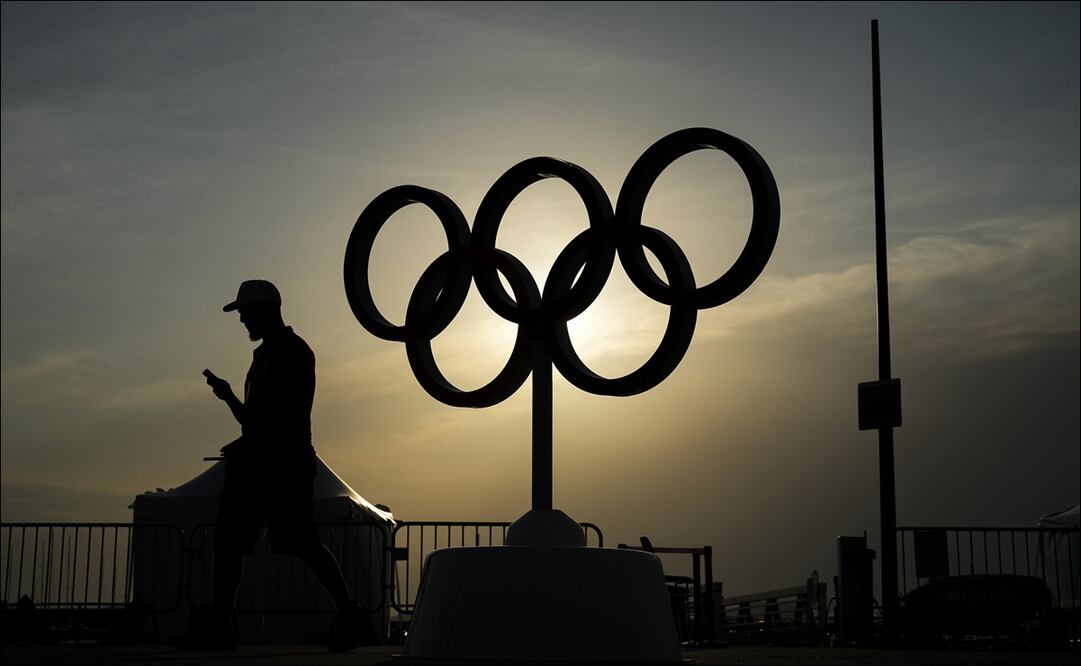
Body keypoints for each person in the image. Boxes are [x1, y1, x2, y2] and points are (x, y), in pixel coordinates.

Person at [197, 279, 375, 651]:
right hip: (257, 463)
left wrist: (254, 437)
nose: (243, 320)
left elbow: (283, 416)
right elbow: (254, 419)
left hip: (283, 465)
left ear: (265, 310)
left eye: (245, 313)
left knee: (300, 544)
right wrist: (229, 396)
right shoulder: (262, 356)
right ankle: (220, 625)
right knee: (230, 544)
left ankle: (350, 614)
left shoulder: (294, 352)